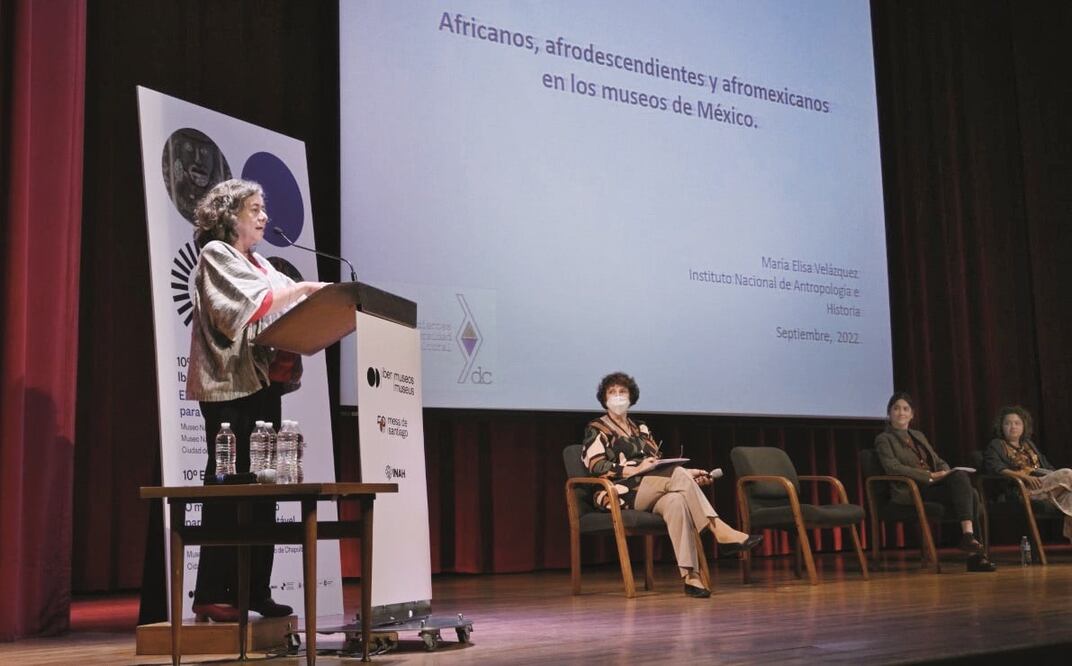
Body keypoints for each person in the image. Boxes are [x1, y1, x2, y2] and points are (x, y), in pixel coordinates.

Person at [185, 178, 327, 621]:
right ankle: (211, 592)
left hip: (264, 385)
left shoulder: (260, 262)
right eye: (255, 208)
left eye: (263, 209)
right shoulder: (217, 255)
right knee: (229, 489)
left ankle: (254, 591)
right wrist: (303, 291)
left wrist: (322, 301)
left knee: (266, 487)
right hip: (229, 388)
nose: (264, 216)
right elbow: (251, 307)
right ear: (229, 216)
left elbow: (291, 305)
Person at [581, 372, 762, 598]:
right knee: (677, 477)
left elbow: (658, 465)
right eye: (612, 392)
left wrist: (689, 475)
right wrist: (635, 469)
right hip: (619, 492)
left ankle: (690, 577)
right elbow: (595, 466)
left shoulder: (642, 429)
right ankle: (719, 531)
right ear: (604, 398)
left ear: (631, 397)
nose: (618, 397)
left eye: (622, 392)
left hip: (650, 487)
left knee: (676, 500)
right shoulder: (597, 428)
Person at [874, 392, 996, 572]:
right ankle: (974, 553)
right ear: (889, 413)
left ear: (912, 414)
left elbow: (937, 460)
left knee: (968, 487)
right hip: (911, 490)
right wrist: (930, 476)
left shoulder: (918, 435)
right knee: (970, 492)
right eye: (896, 409)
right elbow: (893, 468)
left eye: (906, 409)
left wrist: (946, 471)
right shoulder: (884, 439)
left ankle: (970, 543)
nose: (901, 413)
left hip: (931, 487)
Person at [983, 405, 1072, 542]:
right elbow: (996, 468)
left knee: (1070, 497)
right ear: (1001, 427)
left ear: (1024, 426)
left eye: (1017, 423)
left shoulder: (1028, 445)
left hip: (1043, 485)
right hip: (1021, 489)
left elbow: (1048, 468)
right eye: (1008, 423)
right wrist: (1024, 477)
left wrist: (1054, 477)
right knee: (1068, 473)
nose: (1013, 427)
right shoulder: (996, 445)